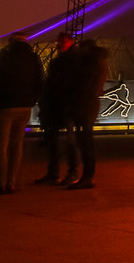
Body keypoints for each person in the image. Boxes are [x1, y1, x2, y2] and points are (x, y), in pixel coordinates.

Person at [0, 34, 43, 194]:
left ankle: (1, 183)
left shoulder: (2, 56)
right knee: (17, 145)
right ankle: (12, 182)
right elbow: (40, 80)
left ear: (10, 42)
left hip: (4, 105)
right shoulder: (33, 57)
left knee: (1, 146)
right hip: (25, 106)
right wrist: (32, 100)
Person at [64, 37, 108, 190]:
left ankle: (87, 176)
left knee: (85, 141)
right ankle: (87, 175)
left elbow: (83, 85)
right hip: (90, 104)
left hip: (84, 105)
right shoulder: (99, 61)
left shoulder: (89, 63)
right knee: (86, 140)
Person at [35, 32, 78, 185]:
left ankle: (67, 172)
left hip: (65, 105)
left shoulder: (70, 60)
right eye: (59, 42)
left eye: (62, 42)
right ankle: (58, 172)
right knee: (60, 140)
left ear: (70, 42)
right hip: (60, 105)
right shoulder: (65, 60)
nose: (58, 45)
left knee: (68, 140)